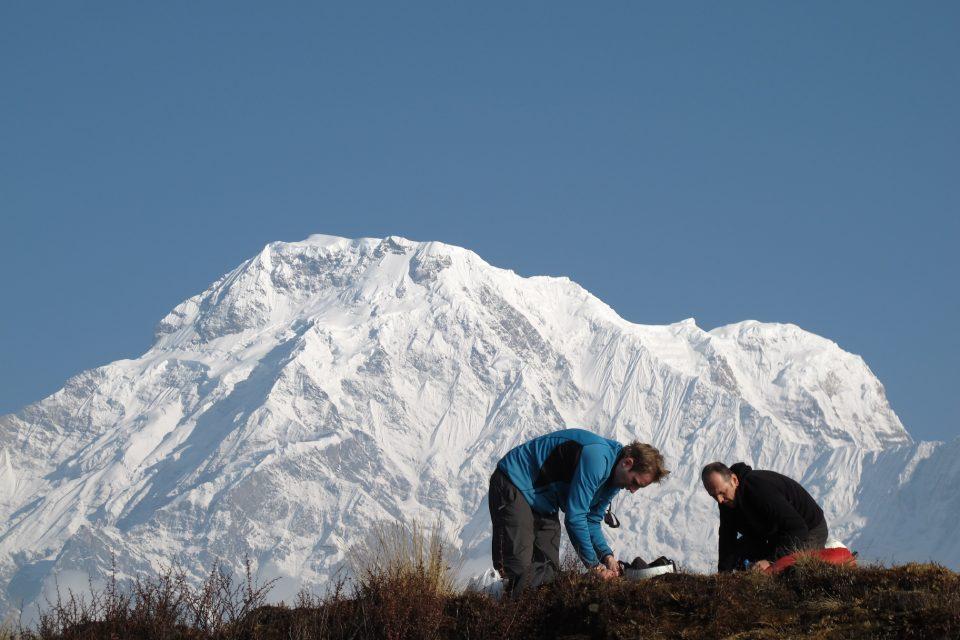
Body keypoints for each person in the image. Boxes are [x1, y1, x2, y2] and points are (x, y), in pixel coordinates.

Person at [488, 428, 669, 593]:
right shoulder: (597, 459)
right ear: (627, 463)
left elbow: (591, 519)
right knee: (520, 569)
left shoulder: (615, 480)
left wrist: (607, 557)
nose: (632, 490)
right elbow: (575, 518)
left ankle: (534, 615)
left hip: (544, 500)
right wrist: (594, 566)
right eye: (635, 483)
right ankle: (500, 608)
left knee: (548, 569)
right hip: (514, 482)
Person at [701, 461, 828, 572]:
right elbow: (727, 537)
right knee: (739, 556)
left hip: (810, 530)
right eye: (713, 495)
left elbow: (798, 529)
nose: (719, 500)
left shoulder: (759, 490)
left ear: (734, 480)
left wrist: (771, 561)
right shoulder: (726, 499)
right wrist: (724, 575)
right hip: (775, 533)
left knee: (786, 570)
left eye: (721, 493)